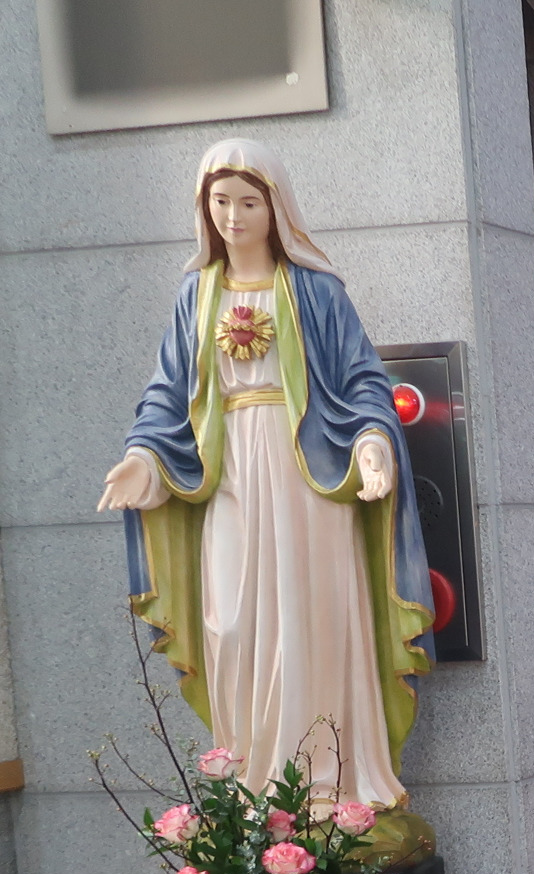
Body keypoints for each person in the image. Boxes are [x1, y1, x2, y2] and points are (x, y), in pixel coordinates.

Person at [97, 139, 433, 807]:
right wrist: (143, 457)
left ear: (276, 206)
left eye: (248, 202)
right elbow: (167, 394)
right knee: (230, 626)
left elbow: (364, 381)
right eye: (220, 201)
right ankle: (256, 790)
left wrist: (372, 442)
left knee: (311, 624)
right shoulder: (196, 295)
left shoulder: (316, 291)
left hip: (308, 476)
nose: (233, 216)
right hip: (229, 478)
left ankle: (325, 784)